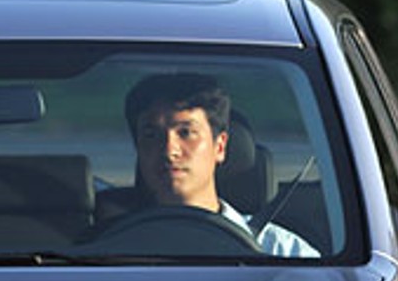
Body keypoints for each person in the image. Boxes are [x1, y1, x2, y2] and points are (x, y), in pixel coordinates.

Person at [120, 73, 318, 257]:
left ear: (220, 146)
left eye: (186, 132)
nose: (169, 150)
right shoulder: (110, 250)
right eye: (151, 135)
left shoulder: (283, 253)